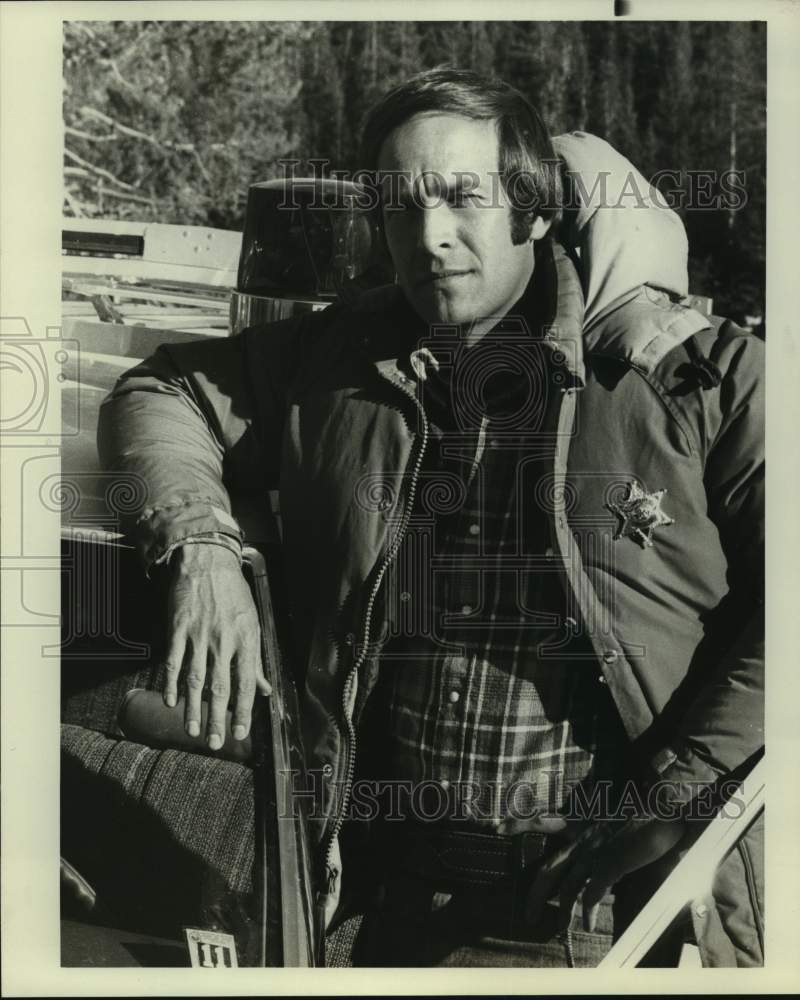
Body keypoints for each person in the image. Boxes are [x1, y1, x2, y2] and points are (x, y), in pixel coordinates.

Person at [98, 68, 764, 968]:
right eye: (400, 204)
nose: (430, 236)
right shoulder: (343, 356)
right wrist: (201, 547)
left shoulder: (693, 381)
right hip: (377, 894)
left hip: (604, 908)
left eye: (461, 197)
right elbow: (162, 386)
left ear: (530, 210)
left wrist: (669, 802)